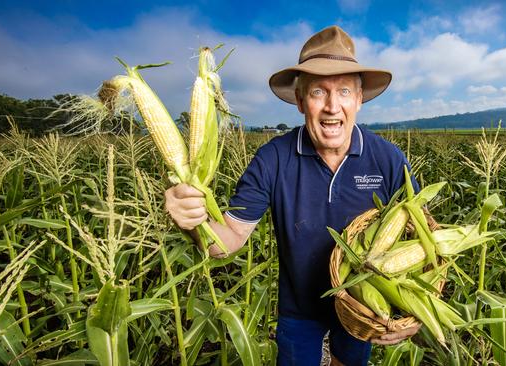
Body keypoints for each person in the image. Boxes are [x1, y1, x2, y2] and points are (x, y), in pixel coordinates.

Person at [165, 25, 420, 366]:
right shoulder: (273, 159)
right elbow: (227, 240)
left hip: (366, 303)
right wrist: (192, 222)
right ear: (300, 101)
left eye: (344, 91)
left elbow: (422, 239)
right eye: (318, 92)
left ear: (359, 99)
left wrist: (413, 310)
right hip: (299, 308)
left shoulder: (388, 159)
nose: (332, 107)